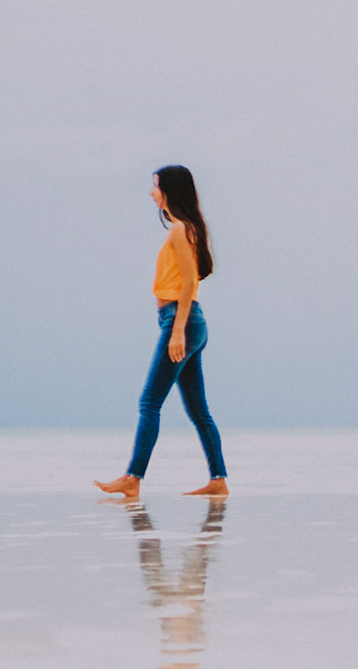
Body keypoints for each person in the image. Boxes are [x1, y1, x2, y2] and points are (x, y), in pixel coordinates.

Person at [98, 165, 230, 500]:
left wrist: (177, 332)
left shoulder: (179, 230)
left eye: (155, 185)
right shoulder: (184, 229)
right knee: (198, 410)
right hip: (186, 322)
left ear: (169, 189)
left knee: (149, 402)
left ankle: (133, 478)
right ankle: (218, 480)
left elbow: (189, 282)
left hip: (180, 321)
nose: (151, 192)